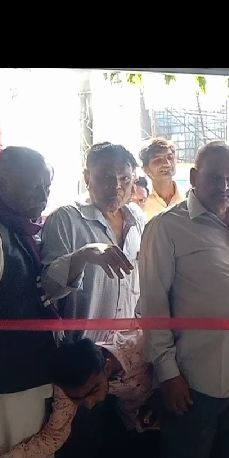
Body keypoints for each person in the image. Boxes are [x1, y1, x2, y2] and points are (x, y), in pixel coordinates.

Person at [139, 142, 229, 458]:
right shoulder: (166, 227)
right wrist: (168, 374)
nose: (225, 186)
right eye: (215, 178)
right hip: (194, 384)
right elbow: (152, 305)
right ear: (194, 177)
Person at [0, 147, 59, 458]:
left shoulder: (19, 230)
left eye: (47, 186)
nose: (43, 196)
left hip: (34, 375)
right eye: (34, 187)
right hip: (7, 383)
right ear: (4, 183)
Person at [0, 334, 158, 458]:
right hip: (129, 424)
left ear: (107, 367)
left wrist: (159, 406)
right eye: (77, 399)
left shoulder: (143, 348)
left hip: (163, 419)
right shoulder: (69, 388)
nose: (89, 403)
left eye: (94, 390)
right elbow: (54, 436)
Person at [41, 142, 144, 342]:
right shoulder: (65, 218)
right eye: (106, 177)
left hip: (127, 349)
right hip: (81, 351)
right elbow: (47, 289)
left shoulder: (137, 217)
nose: (116, 186)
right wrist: (82, 256)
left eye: (124, 178)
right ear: (87, 177)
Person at [138, 139, 185, 219]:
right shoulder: (141, 201)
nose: (167, 164)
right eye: (158, 160)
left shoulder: (188, 198)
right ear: (146, 169)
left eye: (170, 158)